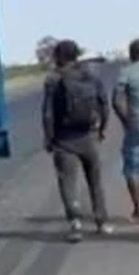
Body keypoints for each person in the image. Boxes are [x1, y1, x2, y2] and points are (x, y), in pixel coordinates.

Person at [42, 39, 112, 240]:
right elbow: (104, 105)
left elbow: (47, 114)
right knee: (95, 181)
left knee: (68, 183)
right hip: (88, 136)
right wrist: (103, 129)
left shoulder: (53, 80)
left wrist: (48, 138)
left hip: (64, 140)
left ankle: (76, 224)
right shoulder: (90, 77)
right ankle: (102, 222)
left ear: (58, 57)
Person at [112, 38, 139, 222]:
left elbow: (116, 100)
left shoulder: (126, 72)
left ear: (131, 54)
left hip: (138, 124)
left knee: (133, 169)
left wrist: (127, 121)